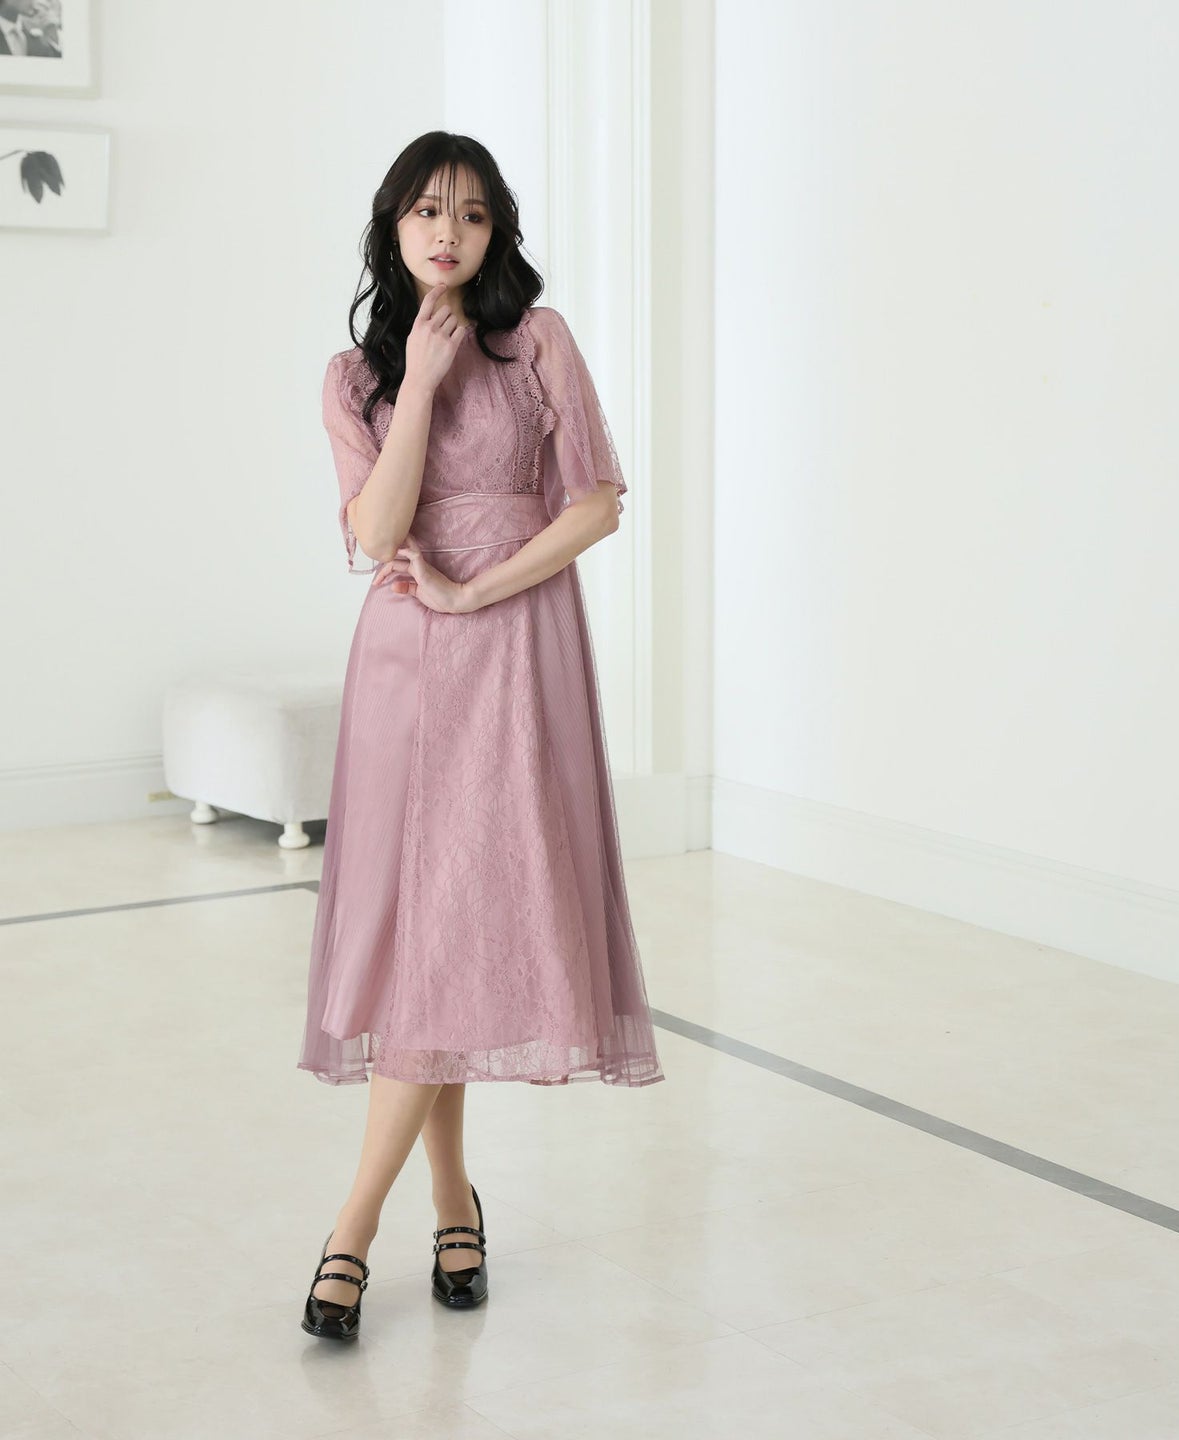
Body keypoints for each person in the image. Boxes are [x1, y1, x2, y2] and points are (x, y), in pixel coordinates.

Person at [297, 132, 665, 1341]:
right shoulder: (355, 377)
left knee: (457, 923)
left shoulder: (539, 340)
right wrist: (421, 377)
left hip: (515, 645)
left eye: (469, 211)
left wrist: (477, 591)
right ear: (392, 228)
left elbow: (597, 506)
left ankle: (354, 1227)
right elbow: (377, 531)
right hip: (406, 668)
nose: (446, 232)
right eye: (424, 211)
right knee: (426, 936)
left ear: (497, 226)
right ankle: (445, 1201)